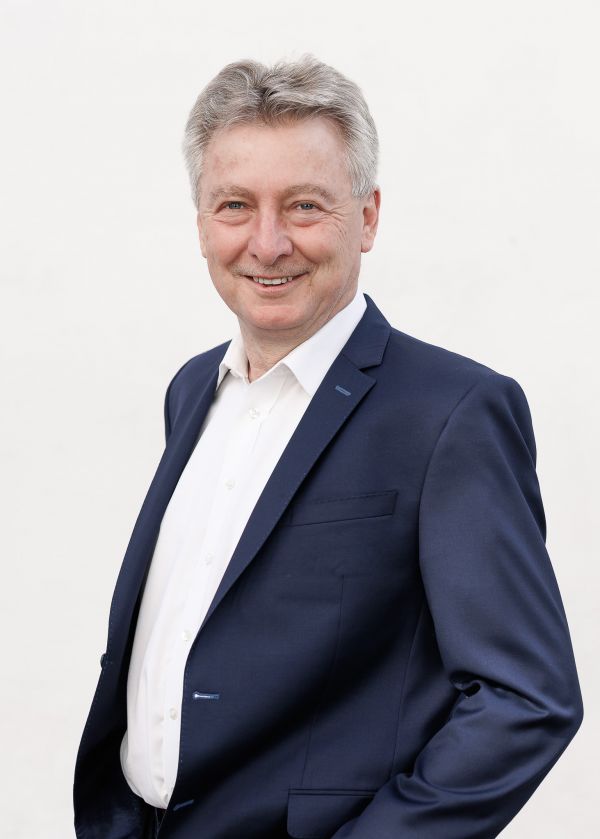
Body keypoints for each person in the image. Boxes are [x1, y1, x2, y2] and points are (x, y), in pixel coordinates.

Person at [73, 56, 583, 839]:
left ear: (368, 217)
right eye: (235, 205)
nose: (267, 242)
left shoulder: (451, 414)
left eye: (305, 206)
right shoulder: (192, 390)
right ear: (201, 222)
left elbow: (526, 698)